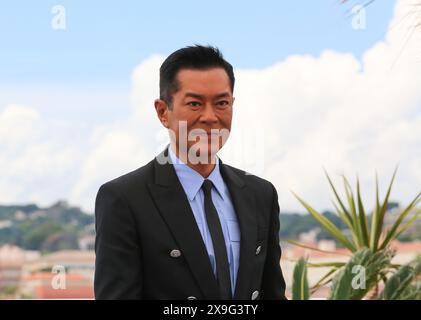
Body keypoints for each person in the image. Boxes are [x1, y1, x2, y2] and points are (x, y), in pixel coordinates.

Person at [94, 45, 287, 300]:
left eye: (221, 103)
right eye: (195, 103)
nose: (210, 117)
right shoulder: (125, 199)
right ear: (163, 112)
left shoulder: (260, 194)